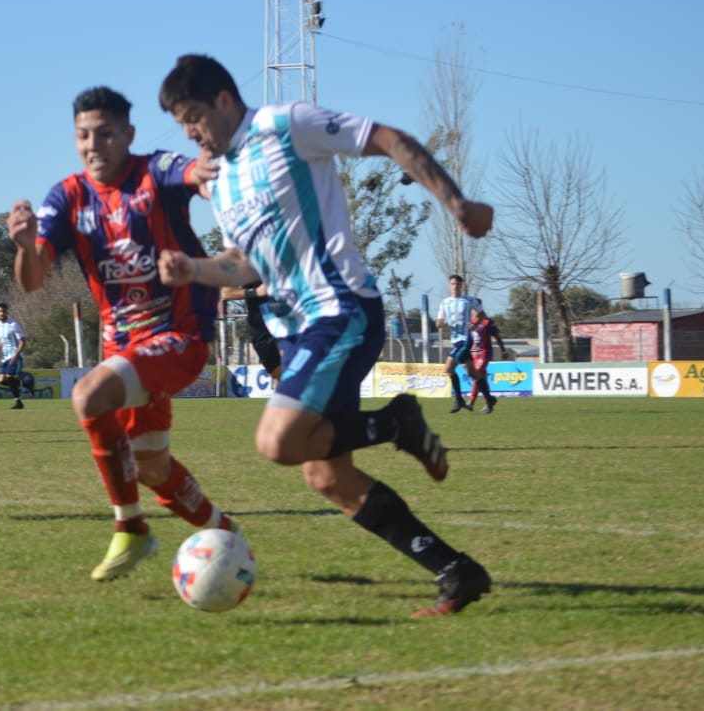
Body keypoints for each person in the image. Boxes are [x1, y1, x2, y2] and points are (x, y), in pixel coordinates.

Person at [157, 53, 493, 617]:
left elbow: (387, 137)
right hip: (296, 332)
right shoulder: (221, 180)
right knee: (325, 474)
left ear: (222, 99)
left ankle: (395, 422)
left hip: (340, 310)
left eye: (193, 116)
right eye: (180, 125)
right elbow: (248, 265)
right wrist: (197, 270)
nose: (191, 133)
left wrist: (454, 201)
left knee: (277, 442)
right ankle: (456, 571)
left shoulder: (285, 124)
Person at [7, 85, 238, 582]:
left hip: (179, 336)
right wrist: (26, 246)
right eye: (83, 135)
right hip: (125, 350)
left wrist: (207, 174)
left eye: (106, 134)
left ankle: (130, 528)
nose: (94, 145)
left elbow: (193, 172)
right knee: (153, 468)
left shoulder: (154, 172)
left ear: (128, 135)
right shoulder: (67, 196)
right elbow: (32, 278)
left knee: (88, 395)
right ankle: (227, 536)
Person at [436, 274, 483, 413]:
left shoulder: (468, 300)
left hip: (466, 339)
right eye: (452, 284)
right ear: (449, 285)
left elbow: (482, 314)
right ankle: (489, 398)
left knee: (448, 368)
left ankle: (459, 400)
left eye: (457, 284)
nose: (455, 286)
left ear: (461, 285)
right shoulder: (444, 303)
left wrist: (475, 323)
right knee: (472, 373)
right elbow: (439, 321)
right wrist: (439, 323)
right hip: (455, 341)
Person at [218, 281, 282, 382]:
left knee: (291, 370)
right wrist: (255, 292)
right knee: (279, 377)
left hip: (289, 324)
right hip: (261, 330)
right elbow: (225, 292)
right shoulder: (248, 268)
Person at [465, 305, 509, 413]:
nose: (473, 311)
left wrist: (503, 350)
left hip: (484, 353)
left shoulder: (487, 322)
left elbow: (497, 336)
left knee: (477, 374)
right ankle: (489, 402)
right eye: (473, 308)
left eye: (475, 308)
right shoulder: (470, 322)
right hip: (474, 354)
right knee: (481, 378)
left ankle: (471, 402)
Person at [0, 303, 27, 409]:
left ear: (7, 312)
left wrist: (16, 355)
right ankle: (20, 384)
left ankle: (18, 402)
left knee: (9, 377)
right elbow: (1, 340)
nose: (1, 313)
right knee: (2, 381)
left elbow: (23, 341)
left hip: (14, 355)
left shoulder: (13, 324)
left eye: (3, 311)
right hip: (4, 357)